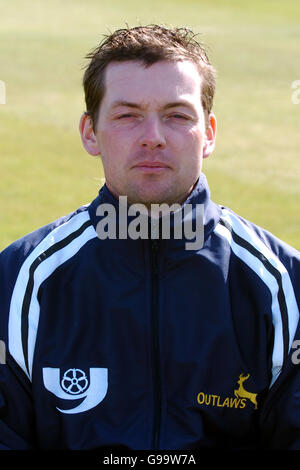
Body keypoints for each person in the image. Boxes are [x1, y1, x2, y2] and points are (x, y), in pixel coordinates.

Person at [1, 24, 300, 451]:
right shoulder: (19, 280)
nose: (153, 138)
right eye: (127, 116)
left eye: (177, 115)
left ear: (209, 133)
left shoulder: (280, 283)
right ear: (90, 132)